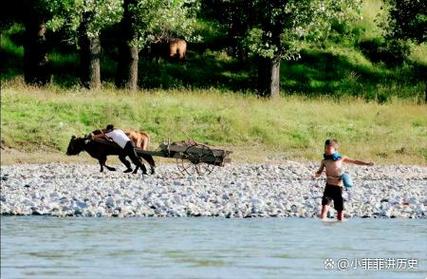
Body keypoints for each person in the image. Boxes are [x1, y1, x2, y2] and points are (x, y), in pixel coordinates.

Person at [314, 139, 374, 221]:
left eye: (329, 148)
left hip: (338, 187)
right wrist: (317, 174)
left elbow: (354, 161)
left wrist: (366, 164)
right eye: (326, 148)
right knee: (324, 207)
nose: (327, 150)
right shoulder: (324, 161)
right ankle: (323, 223)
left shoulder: (341, 158)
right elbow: (320, 171)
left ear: (335, 149)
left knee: (340, 210)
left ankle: (340, 223)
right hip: (328, 186)